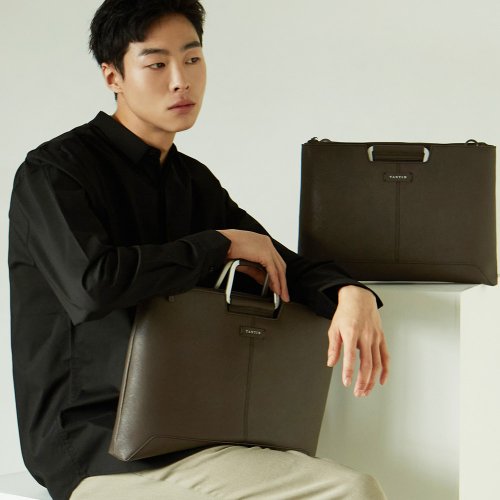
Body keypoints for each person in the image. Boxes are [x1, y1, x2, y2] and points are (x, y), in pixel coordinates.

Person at [8, 1, 390, 499]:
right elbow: (93, 286)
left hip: (189, 434)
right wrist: (216, 246)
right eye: (156, 64)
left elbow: (277, 263)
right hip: (93, 446)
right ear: (113, 76)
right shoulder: (54, 172)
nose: (180, 81)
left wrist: (349, 293)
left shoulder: (190, 182)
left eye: (192, 59)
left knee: (355, 486)